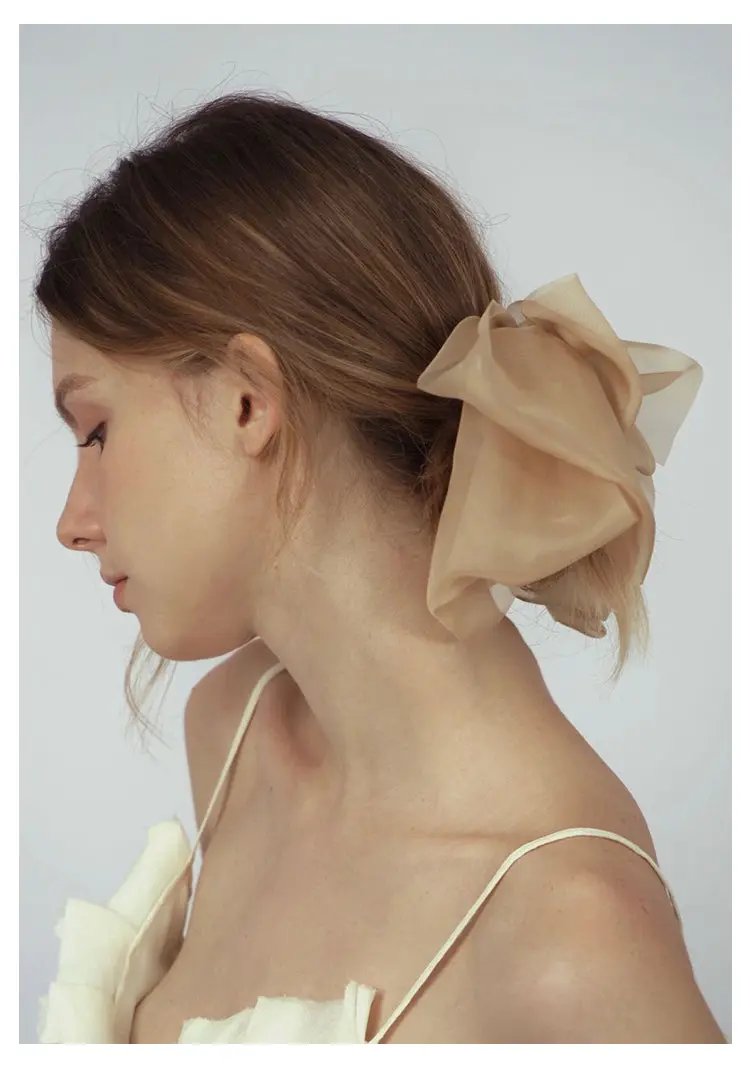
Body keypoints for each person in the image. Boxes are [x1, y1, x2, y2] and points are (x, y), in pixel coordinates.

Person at [36, 91, 723, 1043]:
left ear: (246, 402)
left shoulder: (571, 936)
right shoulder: (234, 734)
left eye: (97, 431)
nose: (70, 524)